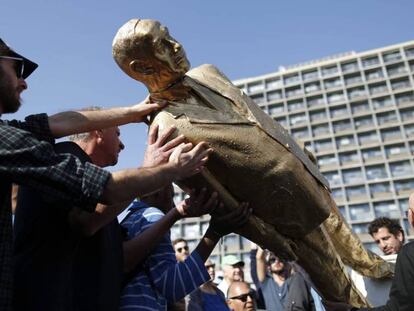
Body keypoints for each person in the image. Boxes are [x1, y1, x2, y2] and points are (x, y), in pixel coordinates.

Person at [112, 19, 392, 307]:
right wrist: (268, 237)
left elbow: (256, 115)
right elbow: (214, 195)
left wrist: (299, 150)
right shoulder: (165, 127)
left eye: (169, 36)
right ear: (141, 67)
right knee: (336, 286)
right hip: (281, 213)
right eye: (162, 45)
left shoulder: (207, 73)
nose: (176, 46)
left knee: (345, 237)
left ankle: (375, 266)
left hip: (303, 175)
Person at [0, 37, 209, 310]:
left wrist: (134, 112)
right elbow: (106, 191)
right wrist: (168, 168)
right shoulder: (58, 154)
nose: (25, 82)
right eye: (18, 69)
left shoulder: (14, 135)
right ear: (97, 135)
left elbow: (55, 122)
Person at [120, 182, 250, 310]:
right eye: (171, 196)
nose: (172, 205)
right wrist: (215, 233)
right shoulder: (153, 216)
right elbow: (172, 287)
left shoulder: (130, 220)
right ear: (161, 191)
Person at [327, 194, 414, 311]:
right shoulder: (367, 270)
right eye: (378, 241)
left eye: (386, 238)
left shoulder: (408, 254)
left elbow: (399, 308)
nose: (383, 245)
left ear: (399, 235)